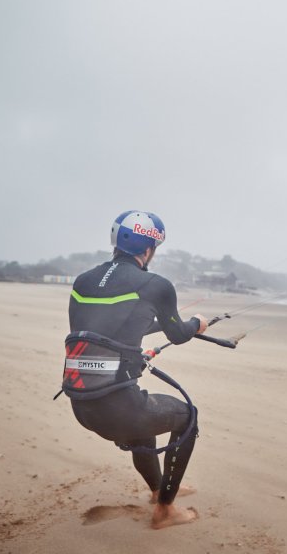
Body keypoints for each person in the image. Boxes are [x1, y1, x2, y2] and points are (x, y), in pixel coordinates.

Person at [61, 210, 208, 529]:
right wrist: (198, 324)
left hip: (82, 407)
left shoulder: (83, 281)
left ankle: (158, 491)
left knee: (141, 419)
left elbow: (105, 331)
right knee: (187, 417)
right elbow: (179, 335)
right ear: (149, 249)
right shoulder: (155, 284)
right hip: (119, 410)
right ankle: (165, 510)